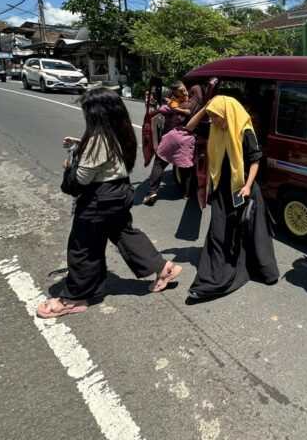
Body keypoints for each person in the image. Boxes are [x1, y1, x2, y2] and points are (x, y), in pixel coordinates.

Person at [37, 89, 182, 319]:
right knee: (124, 234)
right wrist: (80, 145)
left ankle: (74, 298)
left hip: (100, 197)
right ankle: (164, 268)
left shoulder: (98, 138)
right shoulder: (119, 130)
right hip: (119, 191)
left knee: (83, 246)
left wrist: (70, 165)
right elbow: (107, 156)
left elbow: (81, 179)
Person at [185, 95, 279, 301]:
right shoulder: (215, 129)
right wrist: (206, 108)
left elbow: (255, 160)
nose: (213, 121)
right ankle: (211, 281)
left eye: (216, 117)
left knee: (252, 233)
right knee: (219, 233)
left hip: (242, 189)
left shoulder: (244, 130)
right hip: (222, 191)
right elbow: (189, 127)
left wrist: (246, 186)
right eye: (211, 117)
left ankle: (261, 270)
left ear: (228, 114)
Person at [143, 81, 197, 205]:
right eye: (181, 91)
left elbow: (162, 110)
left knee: (159, 163)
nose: (184, 92)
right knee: (185, 166)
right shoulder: (192, 101)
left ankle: (152, 191)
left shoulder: (176, 104)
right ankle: (186, 193)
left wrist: (174, 108)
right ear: (176, 93)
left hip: (172, 137)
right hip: (187, 139)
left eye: (184, 90)